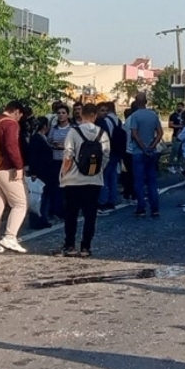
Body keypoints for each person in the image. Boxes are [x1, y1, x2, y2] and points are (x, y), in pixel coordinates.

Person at [55, 103, 110, 258]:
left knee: (71, 215)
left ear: (82, 115)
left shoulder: (73, 132)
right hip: (94, 180)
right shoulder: (102, 133)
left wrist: (63, 174)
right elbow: (106, 156)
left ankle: (70, 245)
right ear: (95, 115)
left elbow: (68, 155)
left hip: (73, 180)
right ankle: (86, 247)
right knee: (90, 215)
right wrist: (97, 171)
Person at [0, 100, 28, 254]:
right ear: (16, 112)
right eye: (20, 116)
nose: (19, 119)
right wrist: (19, 166)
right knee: (20, 203)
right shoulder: (10, 124)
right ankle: (10, 236)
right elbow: (11, 146)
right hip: (6, 167)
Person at [125, 93, 163, 218]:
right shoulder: (153, 115)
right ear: (146, 101)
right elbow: (160, 133)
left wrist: (142, 147)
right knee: (152, 180)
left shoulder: (134, 116)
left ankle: (141, 208)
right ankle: (155, 208)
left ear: (136, 102)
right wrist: (152, 145)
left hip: (138, 152)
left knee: (139, 181)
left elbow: (134, 134)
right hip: (152, 152)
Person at [95, 102, 125, 213]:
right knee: (112, 177)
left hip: (106, 153)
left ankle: (102, 202)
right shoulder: (117, 121)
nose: (104, 112)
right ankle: (112, 200)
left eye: (105, 110)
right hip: (116, 152)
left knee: (103, 178)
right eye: (102, 110)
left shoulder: (102, 122)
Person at [26, 116, 55, 229]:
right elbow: (33, 157)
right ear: (45, 126)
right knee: (38, 196)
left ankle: (43, 218)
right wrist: (33, 172)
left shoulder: (42, 138)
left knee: (44, 196)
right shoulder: (36, 139)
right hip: (40, 172)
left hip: (46, 171)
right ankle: (37, 220)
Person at [46, 105, 73, 217]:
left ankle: (67, 209)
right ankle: (56, 209)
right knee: (56, 185)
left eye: (63, 113)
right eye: (59, 113)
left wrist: (64, 146)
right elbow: (49, 141)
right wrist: (54, 145)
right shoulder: (54, 129)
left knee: (67, 186)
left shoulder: (72, 129)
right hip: (55, 160)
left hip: (67, 160)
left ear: (67, 115)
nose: (61, 115)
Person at [167, 102, 185, 173]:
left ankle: (179, 165)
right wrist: (179, 126)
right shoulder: (173, 115)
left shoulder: (184, 115)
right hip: (176, 135)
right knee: (174, 150)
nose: (179, 108)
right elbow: (170, 125)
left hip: (183, 136)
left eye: (181, 106)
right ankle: (170, 165)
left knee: (181, 152)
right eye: (178, 106)